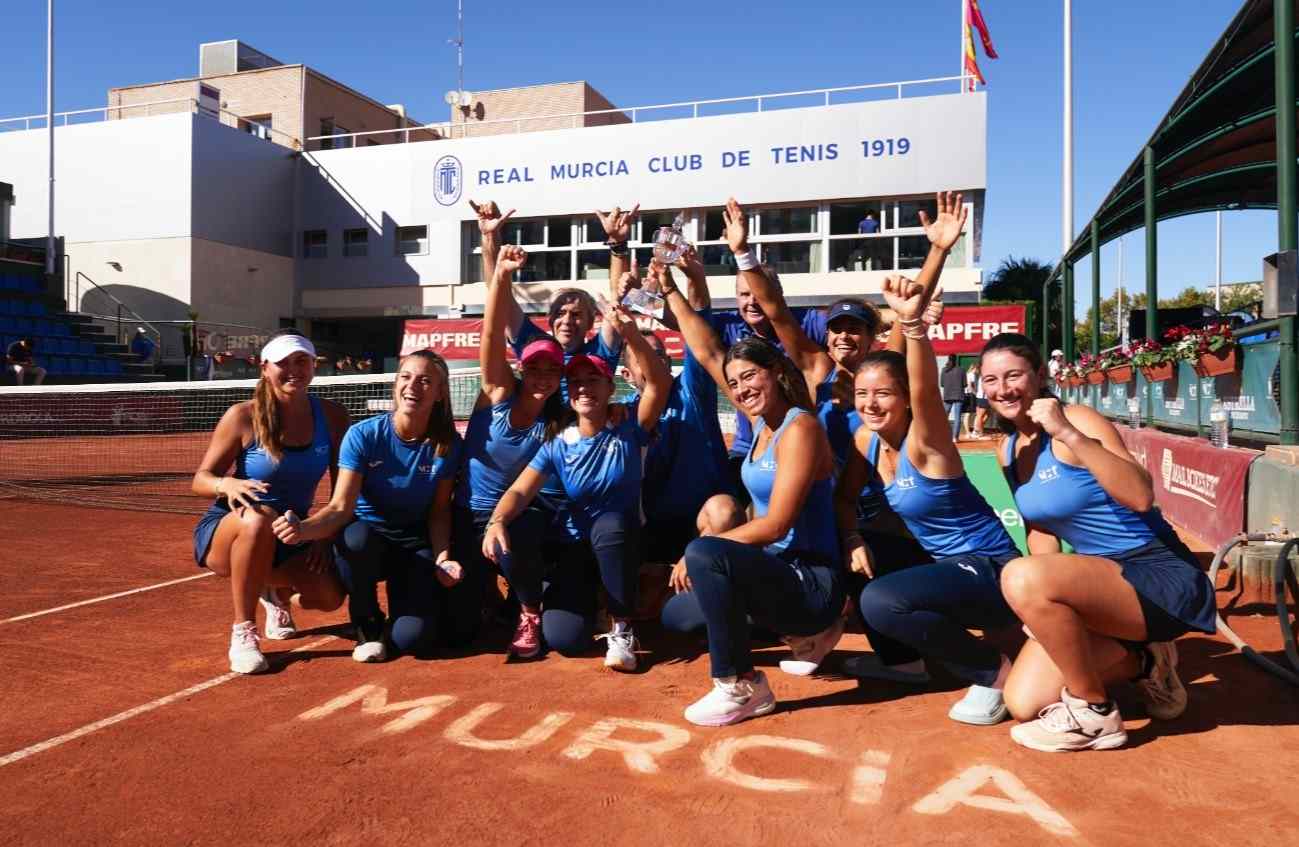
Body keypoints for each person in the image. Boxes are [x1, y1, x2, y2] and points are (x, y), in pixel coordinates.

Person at [981, 333, 1215, 752]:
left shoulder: (1078, 420)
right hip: (1102, 588)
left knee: (1019, 576)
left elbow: (1140, 496)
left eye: (1014, 375)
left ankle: (1095, 713)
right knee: (1024, 702)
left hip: (1160, 575)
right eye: (991, 380)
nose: (1003, 389)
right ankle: (1147, 661)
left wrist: (1068, 433)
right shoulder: (1009, 449)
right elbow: (1041, 528)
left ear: (1039, 375)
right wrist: (1041, 611)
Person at [841, 269, 1024, 726]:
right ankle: (903, 663)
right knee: (854, 555)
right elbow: (843, 499)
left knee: (881, 601)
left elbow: (926, 392)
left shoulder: (927, 444)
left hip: (991, 568)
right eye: (862, 394)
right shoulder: (865, 440)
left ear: (905, 398)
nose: (870, 404)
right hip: (944, 565)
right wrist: (851, 538)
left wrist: (914, 327)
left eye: (883, 393)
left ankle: (994, 673)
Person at [483, 301, 672, 671]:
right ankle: (571, 600)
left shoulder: (629, 427)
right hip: (576, 546)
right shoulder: (558, 442)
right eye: (577, 382)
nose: (584, 387)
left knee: (611, 524)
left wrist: (631, 334)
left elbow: (659, 384)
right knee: (565, 638)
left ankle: (621, 627)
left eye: (593, 380)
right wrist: (498, 520)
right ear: (568, 392)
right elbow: (520, 491)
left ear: (610, 387)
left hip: (621, 540)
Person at [727, 193, 965, 471]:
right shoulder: (818, 370)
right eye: (836, 329)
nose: (843, 336)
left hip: (880, 489)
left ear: (871, 337)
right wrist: (742, 253)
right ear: (826, 337)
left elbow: (911, 308)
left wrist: (938, 250)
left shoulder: (885, 369)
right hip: (830, 491)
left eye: (853, 329)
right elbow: (776, 311)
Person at [679, 337, 845, 726]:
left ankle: (740, 684)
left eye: (750, 376)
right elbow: (708, 353)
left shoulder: (800, 427)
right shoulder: (760, 424)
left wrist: (700, 548)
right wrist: (675, 301)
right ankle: (800, 637)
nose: (741, 389)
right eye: (734, 383)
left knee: (704, 555)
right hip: (778, 569)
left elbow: (776, 525)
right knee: (679, 616)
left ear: (776, 371)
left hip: (812, 580)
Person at [272, 349, 467, 662]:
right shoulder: (363, 435)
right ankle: (367, 620)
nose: (412, 386)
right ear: (396, 384)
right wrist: (302, 529)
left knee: (413, 640)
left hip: (414, 543)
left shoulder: (448, 444)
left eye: (425, 381)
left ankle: (410, 610)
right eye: (406, 377)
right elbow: (340, 508)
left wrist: (443, 558)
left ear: (440, 393)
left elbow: (439, 510)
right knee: (356, 539)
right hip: (368, 540)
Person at [190, 329, 349, 674]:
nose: (293, 370)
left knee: (330, 598)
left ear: (313, 366)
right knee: (259, 517)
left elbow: (343, 490)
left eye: (301, 361)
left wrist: (324, 534)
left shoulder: (333, 417)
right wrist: (226, 483)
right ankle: (244, 631)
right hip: (232, 531)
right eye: (283, 363)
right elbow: (200, 479)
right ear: (265, 368)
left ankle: (276, 595)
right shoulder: (242, 416)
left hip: (291, 533)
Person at [453, 242, 566, 659]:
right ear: (522, 368)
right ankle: (488, 597)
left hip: (518, 513)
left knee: (516, 540)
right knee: (458, 628)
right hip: (467, 512)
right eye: (534, 367)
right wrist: (500, 275)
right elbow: (490, 332)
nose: (542, 375)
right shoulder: (498, 393)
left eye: (551, 369)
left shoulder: (558, 422)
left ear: (560, 376)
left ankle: (530, 610)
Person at [941, 356, 967, 441]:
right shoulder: (961, 370)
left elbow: (942, 384)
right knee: (957, 417)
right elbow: (965, 384)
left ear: (948, 360)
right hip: (959, 395)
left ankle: (942, 435)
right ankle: (955, 437)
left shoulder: (944, 370)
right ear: (956, 360)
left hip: (947, 395)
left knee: (944, 417)